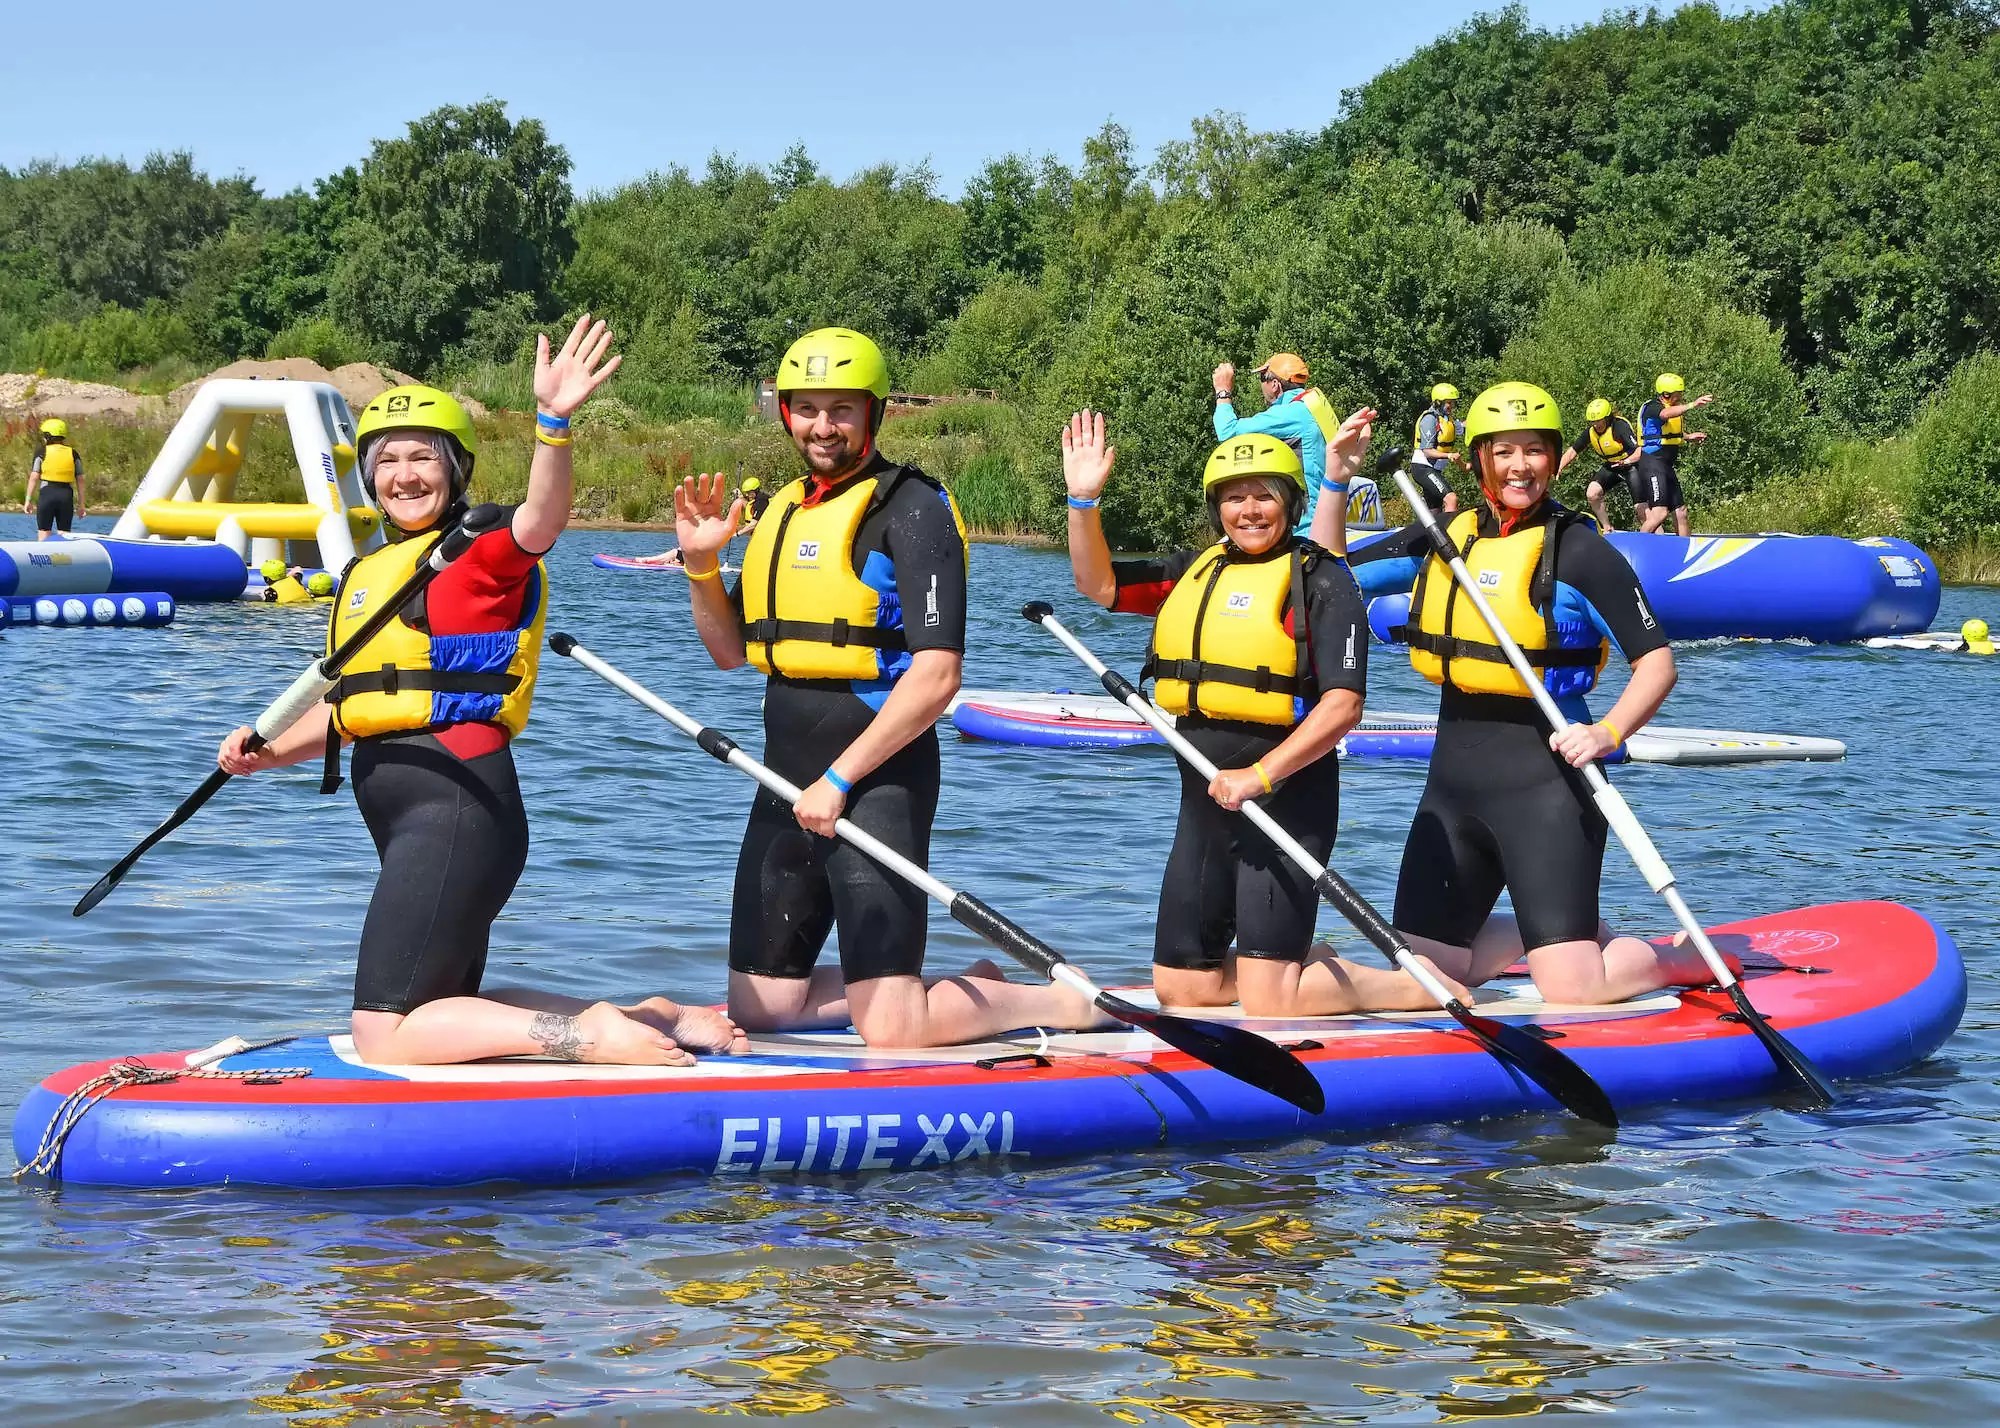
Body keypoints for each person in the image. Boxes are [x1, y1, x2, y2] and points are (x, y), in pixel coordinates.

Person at [217, 318, 745, 1067]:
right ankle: (651, 1017)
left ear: (455, 469)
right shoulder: (372, 571)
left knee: (385, 1032)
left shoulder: (476, 553)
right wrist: (266, 755)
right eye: (388, 460)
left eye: (423, 458)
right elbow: (363, 706)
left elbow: (543, 520)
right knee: (434, 1009)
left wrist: (554, 425)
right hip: (415, 812)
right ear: (368, 475)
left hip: (457, 809)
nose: (405, 474)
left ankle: (589, 1036)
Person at [675, 326, 1104, 1047]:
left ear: (876, 412)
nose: (822, 426)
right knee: (761, 1009)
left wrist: (840, 780)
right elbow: (726, 652)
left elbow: (939, 678)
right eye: (806, 408)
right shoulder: (782, 510)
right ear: (785, 413)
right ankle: (942, 989)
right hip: (785, 779)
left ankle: (1057, 1005)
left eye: (841, 409)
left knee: (894, 1034)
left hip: (876, 781)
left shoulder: (913, 510)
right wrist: (699, 565)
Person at [1063, 412, 1462, 1016]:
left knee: (1269, 1003)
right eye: (1234, 498)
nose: (1249, 510)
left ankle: (1413, 986)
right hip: (1205, 808)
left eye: (1263, 496)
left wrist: (1262, 775)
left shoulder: (1322, 580)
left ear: (1289, 502)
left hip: (1286, 803)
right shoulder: (1189, 573)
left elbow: (1344, 705)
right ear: (1216, 508)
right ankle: (1301, 967)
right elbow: (1097, 584)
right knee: (1183, 989)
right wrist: (1084, 501)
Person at [1349, 381, 1722, 1005]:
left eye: (1535, 450)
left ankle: (1667, 961)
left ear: (1552, 456)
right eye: (1503, 451)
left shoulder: (1579, 549)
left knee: (1574, 990)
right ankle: (1553, 932)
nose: (1520, 465)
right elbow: (1330, 568)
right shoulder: (1446, 536)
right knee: (1428, 974)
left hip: (1548, 786)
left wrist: (1607, 733)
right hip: (1454, 787)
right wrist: (1338, 478)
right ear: (1479, 459)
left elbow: (1657, 664)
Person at [1213, 353, 1332, 538]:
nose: (1261, 385)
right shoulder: (1316, 408)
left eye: (1263, 379)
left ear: (1275, 384)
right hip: (1328, 516)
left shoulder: (1292, 413)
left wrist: (1223, 392)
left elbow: (1227, 432)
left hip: (1306, 527)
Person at [1635, 373, 1713, 537]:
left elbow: (1668, 433)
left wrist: (1688, 437)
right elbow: (1665, 415)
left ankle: (1684, 555)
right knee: (1660, 513)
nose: (1681, 397)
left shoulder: (1671, 407)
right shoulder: (1653, 407)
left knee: (1681, 512)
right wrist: (1692, 404)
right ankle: (1637, 545)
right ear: (1666, 394)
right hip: (1652, 464)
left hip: (1665, 466)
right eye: (1678, 394)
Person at [1558, 398, 1644, 530]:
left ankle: (1654, 536)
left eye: (1599, 420)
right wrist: (1558, 468)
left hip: (1631, 465)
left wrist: (1626, 461)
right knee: (1592, 494)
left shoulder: (1619, 427)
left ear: (1607, 418)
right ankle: (1607, 527)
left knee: (1641, 510)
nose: (1596, 424)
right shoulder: (1590, 432)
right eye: (1593, 421)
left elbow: (1639, 451)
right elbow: (1572, 451)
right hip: (1613, 466)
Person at [23, 418, 85, 539]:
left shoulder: (42, 452)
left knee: (44, 532)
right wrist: (81, 504)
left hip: (47, 494)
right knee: (64, 534)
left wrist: (28, 500)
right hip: (66, 495)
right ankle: (63, 556)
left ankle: (42, 555)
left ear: (48, 435)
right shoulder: (73, 453)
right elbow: (81, 479)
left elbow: (34, 477)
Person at [1411, 383, 1462, 516]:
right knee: (1451, 499)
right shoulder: (1429, 419)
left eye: (1453, 403)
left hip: (1434, 469)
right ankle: (1450, 534)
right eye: (1448, 403)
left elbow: (1463, 427)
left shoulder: (1446, 419)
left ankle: (1429, 536)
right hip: (1423, 467)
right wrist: (1449, 455)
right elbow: (1427, 451)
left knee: (1434, 512)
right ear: (1438, 402)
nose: (1452, 406)